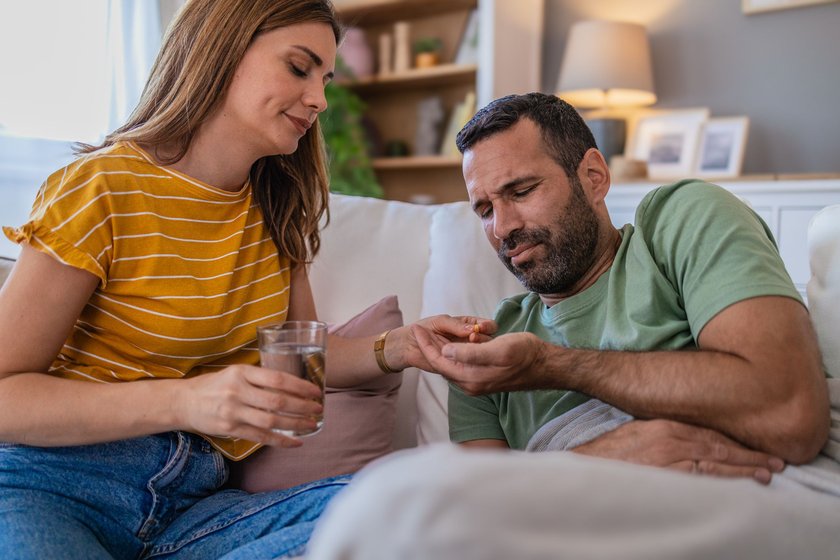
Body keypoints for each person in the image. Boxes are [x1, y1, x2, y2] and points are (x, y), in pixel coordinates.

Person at [0, 1, 492, 558]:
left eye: (326, 79)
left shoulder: (275, 209)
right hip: (52, 484)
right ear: (223, 51)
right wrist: (186, 401)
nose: (320, 100)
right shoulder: (99, 188)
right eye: (299, 67)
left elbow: (303, 351)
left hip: (196, 508)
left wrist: (401, 346)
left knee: (412, 509)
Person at [304, 93, 840, 559]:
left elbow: (790, 412)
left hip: (759, 484)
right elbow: (488, 506)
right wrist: (608, 460)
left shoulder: (676, 223)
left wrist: (553, 365)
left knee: (396, 508)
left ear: (593, 177)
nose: (503, 227)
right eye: (484, 208)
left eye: (520, 191)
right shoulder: (488, 352)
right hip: (591, 530)